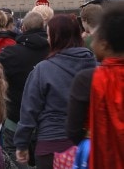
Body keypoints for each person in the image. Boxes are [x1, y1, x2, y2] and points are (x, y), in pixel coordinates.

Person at [14, 14, 97, 169]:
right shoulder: (94, 66)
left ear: (55, 38)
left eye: (48, 35)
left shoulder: (43, 69)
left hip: (51, 145)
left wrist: (22, 144)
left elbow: (28, 111)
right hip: (89, 145)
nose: (47, 39)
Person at [66, 1, 124, 169]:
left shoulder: (87, 79)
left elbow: (73, 130)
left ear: (105, 45)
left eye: (95, 38)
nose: (91, 44)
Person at [0, 11, 49, 168]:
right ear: (43, 27)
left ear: (23, 28)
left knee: (13, 155)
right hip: (47, 120)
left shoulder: (11, 53)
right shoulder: (54, 51)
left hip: (16, 118)